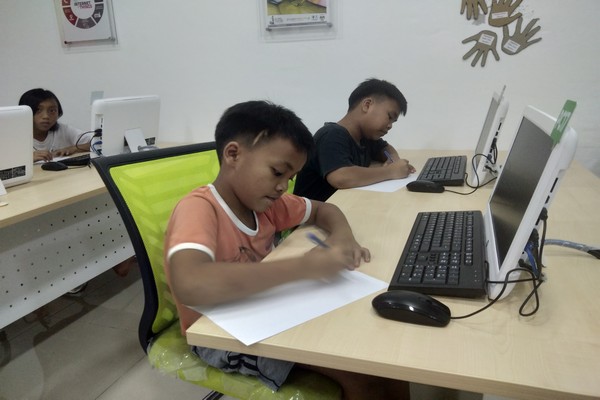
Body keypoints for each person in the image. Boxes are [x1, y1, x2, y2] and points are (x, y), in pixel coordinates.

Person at [164, 100, 410, 400]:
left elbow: (324, 210)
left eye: (290, 178)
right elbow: (190, 284)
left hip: (268, 310)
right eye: (277, 172)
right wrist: (303, 268)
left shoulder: (267, 204)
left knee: (385, 361)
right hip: (219, 335)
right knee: (360, 373)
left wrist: (343, 238)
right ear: (233, 154)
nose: (283, 186)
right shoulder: (199, 209)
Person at [294, 78, 416, 201]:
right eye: (389, 117)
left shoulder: (365, 137)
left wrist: (393, 159)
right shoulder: (331, 135)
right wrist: (390, 171)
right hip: (313, 212)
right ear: (367, 105)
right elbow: (341, 177)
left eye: (393, 122)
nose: (390, 126)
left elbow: (385, 148)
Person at [19, 88, 93, 162]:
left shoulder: (63, 130)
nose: (46, 116)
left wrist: (73, 148)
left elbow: (96, 142)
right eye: (38, 110)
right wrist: (27, 158)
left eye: (52, 110)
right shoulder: (15, 136)